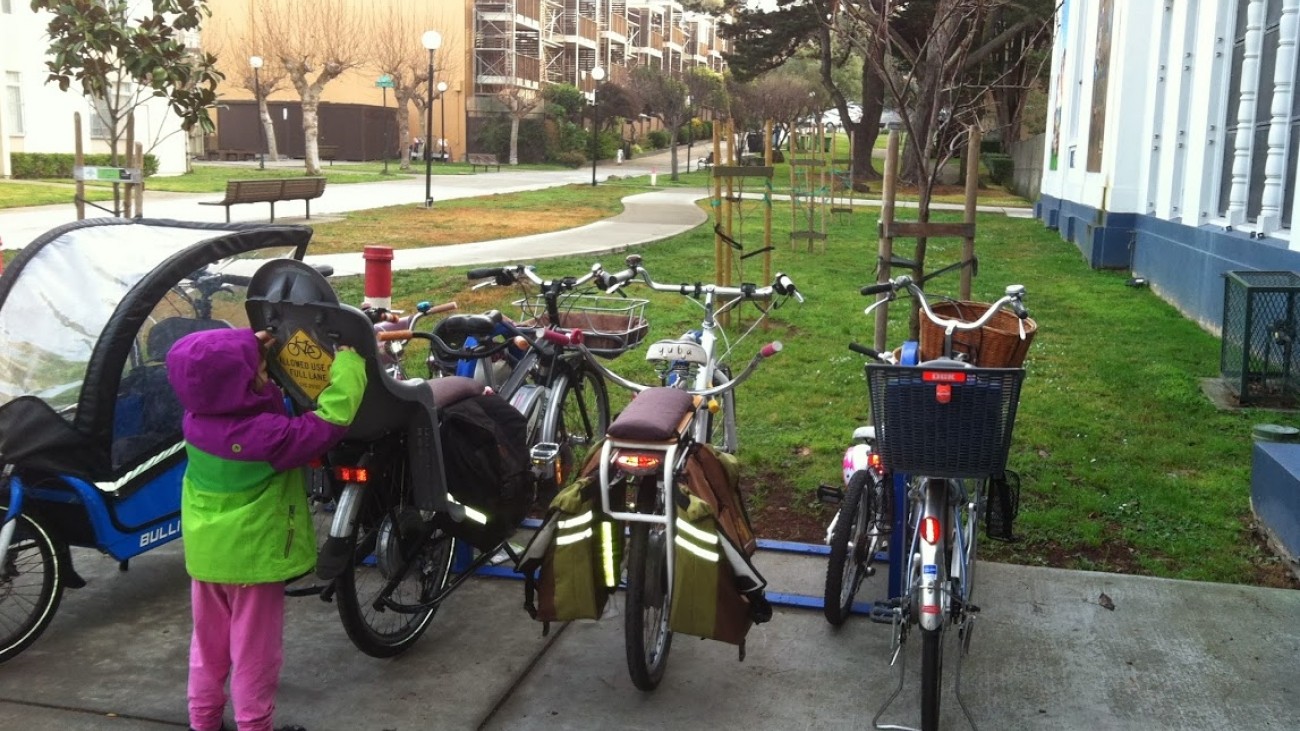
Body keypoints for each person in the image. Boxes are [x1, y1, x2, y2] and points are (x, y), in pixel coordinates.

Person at [166, 328, 367, 731]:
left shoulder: (196, 419)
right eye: (260, 368)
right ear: (242, 384)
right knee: (255, 653)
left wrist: (245, 349)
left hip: (206, 556)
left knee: (208, 648)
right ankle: (254, 725)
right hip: (252, 561)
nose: (266, 372)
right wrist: (349, 362)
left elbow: (218, 378)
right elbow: (331, 419)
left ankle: (203, 722)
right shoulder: (267, 437)